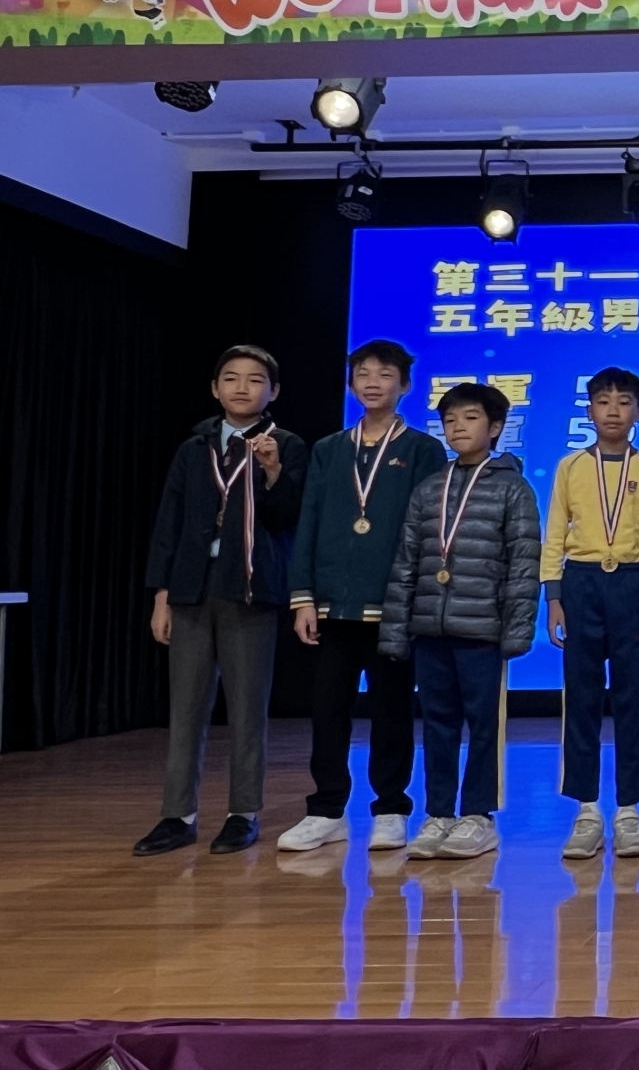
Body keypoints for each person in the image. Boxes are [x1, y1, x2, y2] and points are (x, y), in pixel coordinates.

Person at [136, 346, 309, 857]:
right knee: (186, 708)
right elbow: (168, 524)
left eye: (255, 380)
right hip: (192, 589)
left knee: (248, 709)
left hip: (250, 589)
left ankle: (243, 813)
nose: (241, 387)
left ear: (273, 392)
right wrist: (162, 595)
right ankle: (178, 815)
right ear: (215, 388)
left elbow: (290, 517)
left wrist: (273, 472)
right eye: (230, 378)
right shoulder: (194, 448)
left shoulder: (288, 445)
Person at [279, 340, 447, 854]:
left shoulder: (422, 450)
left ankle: (391, 808)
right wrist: (303, 597)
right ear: (352, 384)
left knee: (392, 708)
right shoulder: (330, 449)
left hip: (393, 604)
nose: (373, 382)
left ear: (405, 384)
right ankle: (326, 809)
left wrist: (417, 598)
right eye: (363, 373)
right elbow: (308, 523)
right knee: (327, 708)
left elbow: (431, 529)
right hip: (333, 603)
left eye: (385, 373)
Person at [379, 382, 541, 861]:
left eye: (470, 418)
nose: (458, 428)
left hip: (482, 630)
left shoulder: (513, 487)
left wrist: (516, 630)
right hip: (430, 628)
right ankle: (439, 813)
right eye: (450, 420)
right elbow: (406, 563)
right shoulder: (430, 488)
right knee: (438, 724)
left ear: (495, 427)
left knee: (484, 724)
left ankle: (478, 815)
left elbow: (523, 563)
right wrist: (396, 630)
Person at [543, 367, 639, 861]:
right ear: (589, 410)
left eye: (623, 402)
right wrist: (553, 595)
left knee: (633, 698)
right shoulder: (571, 466)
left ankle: (630, 811)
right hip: (581, 583)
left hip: (633, 586)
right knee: (581, 697)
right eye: (603, 401)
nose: (613, 411)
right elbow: (555, 531)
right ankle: (587, 810)